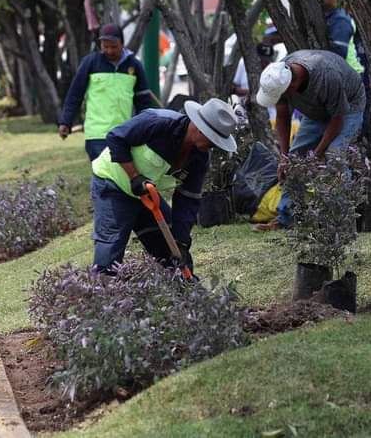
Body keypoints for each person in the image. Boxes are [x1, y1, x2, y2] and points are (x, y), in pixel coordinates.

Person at [90, 98, 238, 273]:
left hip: (146, 195)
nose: (213, 146)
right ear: (200, 129)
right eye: (213, 141)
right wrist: (134, 177)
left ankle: (187, 293)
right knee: (110, 250)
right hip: (113, 185)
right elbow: (116, 138)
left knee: (174, 253)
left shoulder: (199, 157)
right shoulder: (158, 122)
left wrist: (181, 241)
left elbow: (187, 198)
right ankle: (101, 294)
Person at [253, 49, 366, 230]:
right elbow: (282, 116)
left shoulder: (327, 76)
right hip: (315, 111)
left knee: (334, 156)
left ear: (292, 87)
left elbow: (337, 120)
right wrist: (285, 156)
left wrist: (317, 154)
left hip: (348, 109)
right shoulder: (278, 75)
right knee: (295, 159)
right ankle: (286, 219)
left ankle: (341, 222)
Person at [58, 22, 156, 161]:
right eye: (105, 47)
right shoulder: (90, 63)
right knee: (103, 174)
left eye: (114, 47)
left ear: (122, 43)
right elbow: (75, 94)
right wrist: (65, 122)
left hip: (124, 132)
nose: (109, 51)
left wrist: (146, 128)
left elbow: (143, 101)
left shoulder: (134, 65)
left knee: (120, 174)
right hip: (97, 134)